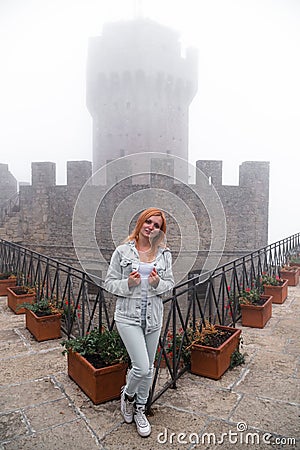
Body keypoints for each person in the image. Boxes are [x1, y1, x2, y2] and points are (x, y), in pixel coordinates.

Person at [104, 207, 175, 438]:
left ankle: (140, 411)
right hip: (127, 317)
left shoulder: (164, 255)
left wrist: (157, 284)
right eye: (148, 222)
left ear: (159, 231)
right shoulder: (122, 251)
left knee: (150, 368)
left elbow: (170, 284)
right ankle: (127, 395)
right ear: (140, 222)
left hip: (153, 317)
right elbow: (109, 283)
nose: (151, 228)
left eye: (156, 226)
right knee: (142, 367)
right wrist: (128, 284)